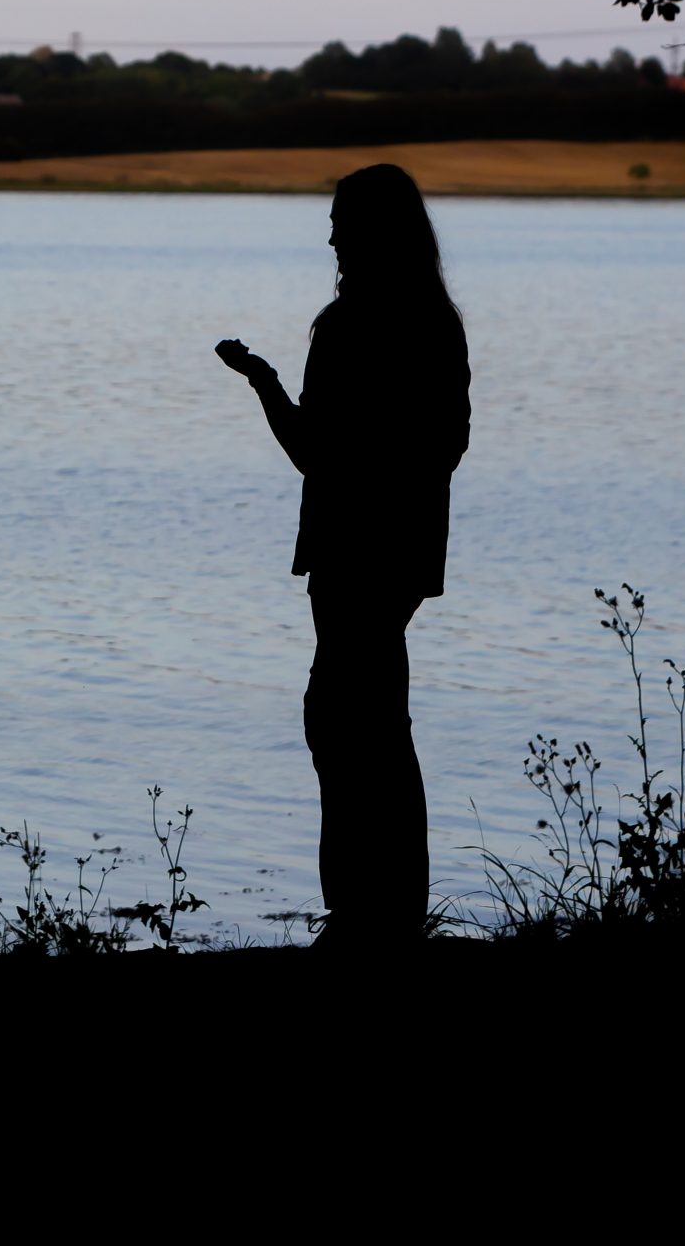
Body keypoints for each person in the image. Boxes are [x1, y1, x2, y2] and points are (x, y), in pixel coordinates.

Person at [217, 164, 470, 949]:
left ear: (367, 231)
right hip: (404, 553)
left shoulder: (348, 324)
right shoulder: (436, 318)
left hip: (353, 551)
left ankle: (363, 914)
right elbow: (448, 443)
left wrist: (262, 383)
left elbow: (314, 454)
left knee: (344, 725)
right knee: (375, 724)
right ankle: (388, 908)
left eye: (338, 220)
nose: (328, 235)